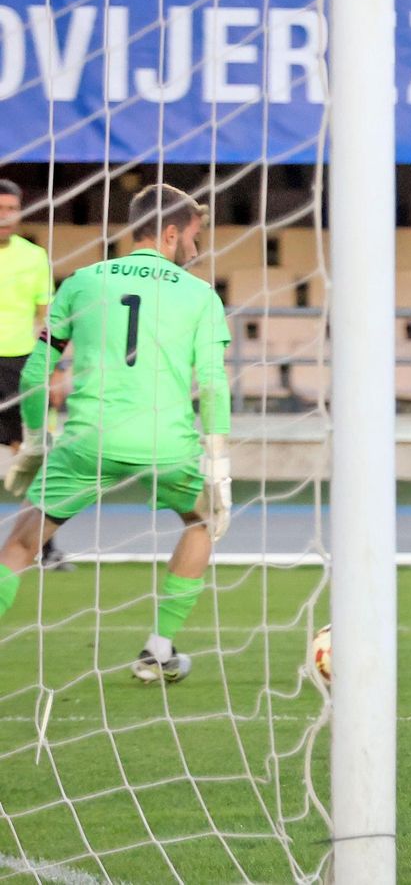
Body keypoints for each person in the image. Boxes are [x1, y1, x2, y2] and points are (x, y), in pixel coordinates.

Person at [0, 183, 233, 682]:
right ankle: (158, 651)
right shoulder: (199, 295)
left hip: (88, 441)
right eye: (194, 236)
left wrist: (38, 443)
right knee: (204, 521)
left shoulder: (82, 282)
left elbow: (32, 373)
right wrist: (219, 463)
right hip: (165, 445)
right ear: (171, 233)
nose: (197, 248)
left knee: (20, 546)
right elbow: (213, 385)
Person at [0, 180, 69, 570]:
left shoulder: (33, 257)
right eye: (0, 208)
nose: (5, 216)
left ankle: (45, 548)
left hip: (20, 368)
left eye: (11, 208)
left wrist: (55, 369)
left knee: (35, 459)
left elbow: (49, 320)